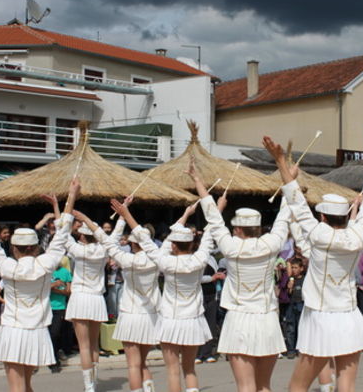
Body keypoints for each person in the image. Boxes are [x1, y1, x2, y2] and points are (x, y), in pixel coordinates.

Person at [264, 136, 363, 392]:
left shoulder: (318, 233)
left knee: (298, 385)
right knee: (347, 385)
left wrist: (282, 162)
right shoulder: (360, 234)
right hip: (349, 315)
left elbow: (295, 200)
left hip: (320, 317)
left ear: (323, 215)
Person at [0, 179, 74, 392]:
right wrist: (71, 197)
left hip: (13, 329)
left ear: (14, 248)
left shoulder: (6, 266)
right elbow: (62, 235)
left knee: (17, 388)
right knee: (27, 386)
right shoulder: (46, 263)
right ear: (36, 247)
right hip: (36, 330)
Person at [191, 161, 291, 392]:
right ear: (257, 228)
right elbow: (285, 215)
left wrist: (198, 182)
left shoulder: (230, 246)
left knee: (245, 387)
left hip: (238, 319)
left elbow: (213, 218)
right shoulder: (272, 243)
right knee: (264, 386)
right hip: (266, 318)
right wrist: (288, 182)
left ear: (237, 229)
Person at [135, 202, 213, 392]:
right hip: (193, 320)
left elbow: (145, 241)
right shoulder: (200, 258)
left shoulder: (166, 261)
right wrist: (215, 210)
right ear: (192, 243)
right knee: (190, 370)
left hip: (170, 319)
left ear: (174, 246)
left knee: (172, 370)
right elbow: (211, 233)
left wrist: (126, 214)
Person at [55, 193, 124, 392]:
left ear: (82, 235)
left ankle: (89, 386)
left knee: (84, 346)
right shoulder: (104, 250)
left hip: (80, 297)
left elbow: (62, 231)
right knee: (93, 345)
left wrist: (60, 208)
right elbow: (116, 235)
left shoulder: (76, 249)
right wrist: (122, 215)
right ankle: (92, 382)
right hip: (96, 298)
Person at [105, 199, 164, 392]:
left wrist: (123, 216)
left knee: (133, 364)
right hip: (150, 315)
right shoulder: (158, 258)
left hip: (130, 314)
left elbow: (110, 242)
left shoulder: (126, 258)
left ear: (132, 243)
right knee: (143, 363)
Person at [47, 258, 72, 373]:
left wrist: (54, 289)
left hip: (59, 307)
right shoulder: (46, 272)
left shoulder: (65, 272)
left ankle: (54, 359)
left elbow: (68, 291)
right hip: (45, 307)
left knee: (55, 333)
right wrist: (54, 285)